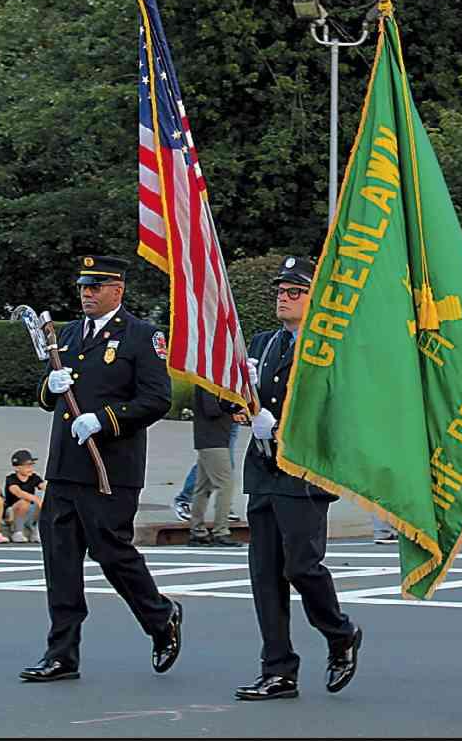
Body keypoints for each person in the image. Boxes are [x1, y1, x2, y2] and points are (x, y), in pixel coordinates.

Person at [20, 255, 182, 683]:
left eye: (95, 287)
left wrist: (106, 419)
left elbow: (157, 399)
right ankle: (61, 653)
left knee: (112, 553)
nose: (86, 294)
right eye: (83, 287)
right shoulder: (69, 334)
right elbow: (49, 395)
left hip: (110, 467)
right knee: (60, 560)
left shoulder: (141, 336)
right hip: (65, 466)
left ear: (117, 290)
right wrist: (49, 387)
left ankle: (160, 616)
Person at [234, 256, 361, 702]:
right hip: (263, 470)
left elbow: (336, 411)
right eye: (280, 291)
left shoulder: (329, 348)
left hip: (304, 470)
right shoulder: (263, 343)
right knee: (264, 574)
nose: (283, 298)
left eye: (295, 292)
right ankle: (278, 669)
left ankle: (340, 632)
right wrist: (239, 399)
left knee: (302, 567)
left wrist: (280, 426)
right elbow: (234, 402)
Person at [187, 387, 244, 547]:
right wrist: (232, 405)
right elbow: (211, 409)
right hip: (213, 439)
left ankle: (197, 531)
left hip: (210, 438)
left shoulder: (209, 380)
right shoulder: (209, 381)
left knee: (203, 487)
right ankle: (221, 531)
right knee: (225, 485)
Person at [172, 417, 244, 523]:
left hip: (232, 421)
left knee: (223, 463)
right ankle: (183, 499)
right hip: (216, 421)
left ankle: (223, 506)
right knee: (214, 462)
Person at [4, 448, 46, 543]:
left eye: (31, 465)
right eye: (27, 466)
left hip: (28, 511)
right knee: (24, 502)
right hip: (12, 512)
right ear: (17, 468)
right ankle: (17, 532)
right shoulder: (11, 479)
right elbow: (17, 492)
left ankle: (36, 531)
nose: (30, 468)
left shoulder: (34, 477)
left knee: (44, 504)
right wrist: (36, 499)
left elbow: (44, 486)